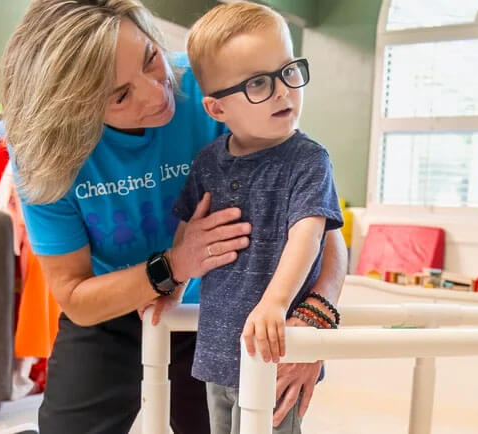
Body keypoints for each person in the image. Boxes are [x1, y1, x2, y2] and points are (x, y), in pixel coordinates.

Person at [0, 1, 348, 433]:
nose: (156, 93)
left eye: (150, 58)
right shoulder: (44, 157)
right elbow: (74, 294)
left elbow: (316, 215)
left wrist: (315, 318)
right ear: (73, 110)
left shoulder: (216, 84)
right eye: (121, 95)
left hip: (216, 309)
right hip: (111, 304)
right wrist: (176, 264)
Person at [147, 3, 343, 433]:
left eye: (287, 71)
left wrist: (275, 302)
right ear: (217, 110)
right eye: (258, 83)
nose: (283, 91)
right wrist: (173, 287)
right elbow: (188, 231)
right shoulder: (208, 162)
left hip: (275, 348)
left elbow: (308, 236)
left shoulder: (309, 160)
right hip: (217, 348)